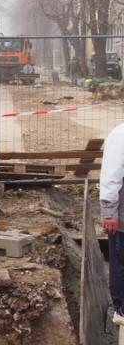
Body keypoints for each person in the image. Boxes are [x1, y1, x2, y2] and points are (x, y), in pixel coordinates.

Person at [99, 123, 124, 327]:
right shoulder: (120, 135)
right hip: (122, 219)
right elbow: (110, 176)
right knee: (121, 263)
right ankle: (122, 309)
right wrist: (109, 212)